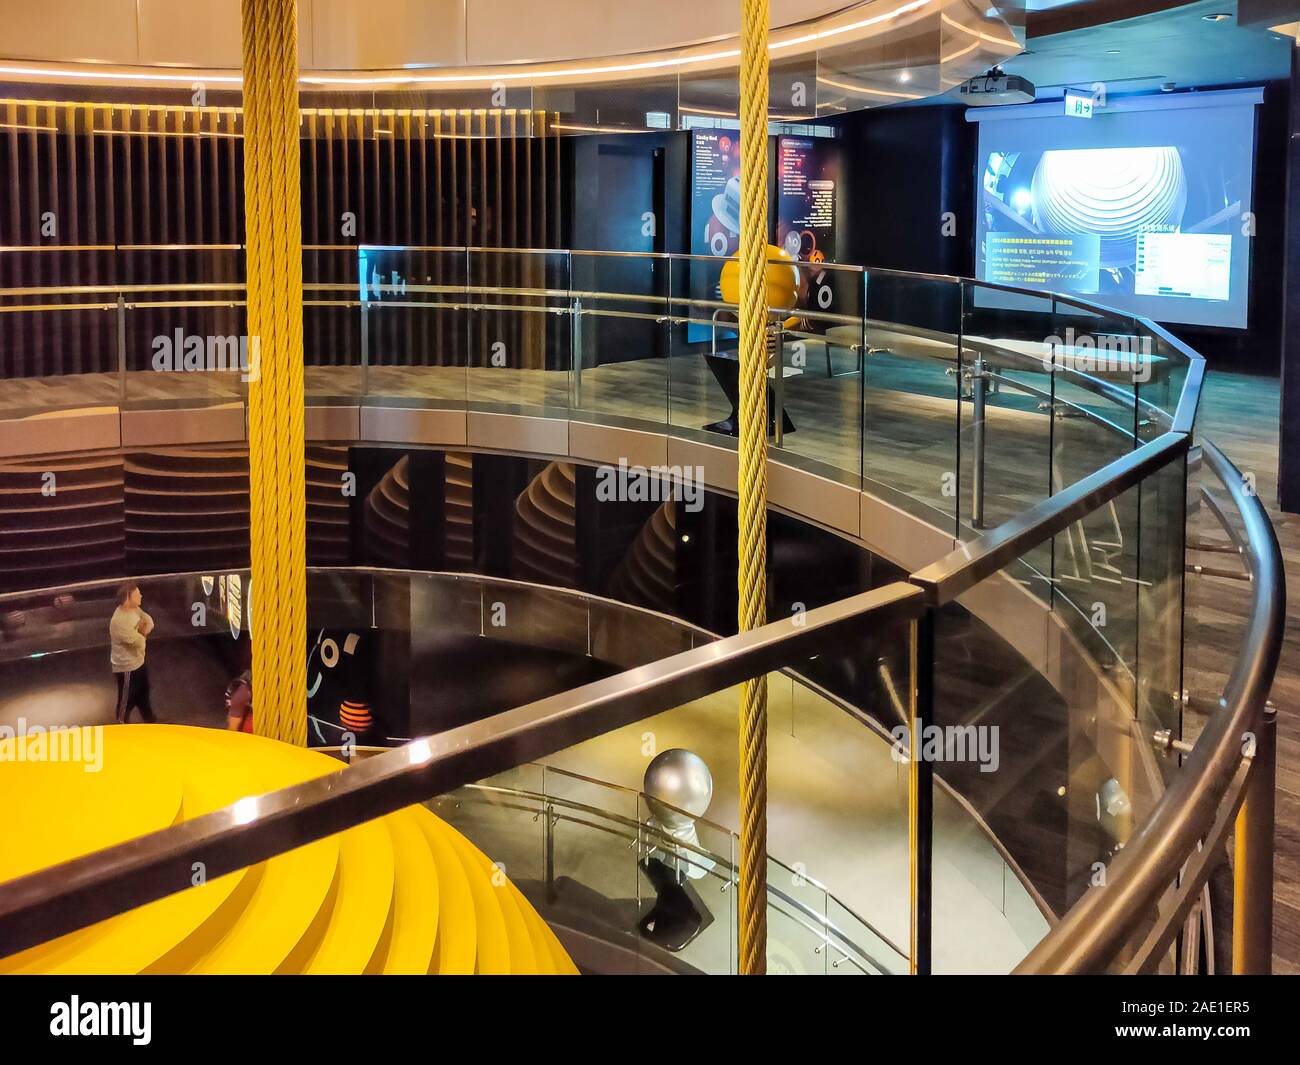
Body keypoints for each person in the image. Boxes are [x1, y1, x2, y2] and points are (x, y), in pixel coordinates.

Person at [109, 581, 156, 723]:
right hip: (127, 668)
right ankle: (121, 726)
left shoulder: (134, 609)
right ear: (128, 598)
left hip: (139, 662)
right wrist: (143, 630)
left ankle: (151, 721)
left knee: (144, 693)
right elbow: (139, 642)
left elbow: (149, 621)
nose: (141, 596)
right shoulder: (119, 621)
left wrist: (143, 630)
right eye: (137, 594)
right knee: (126, 700)